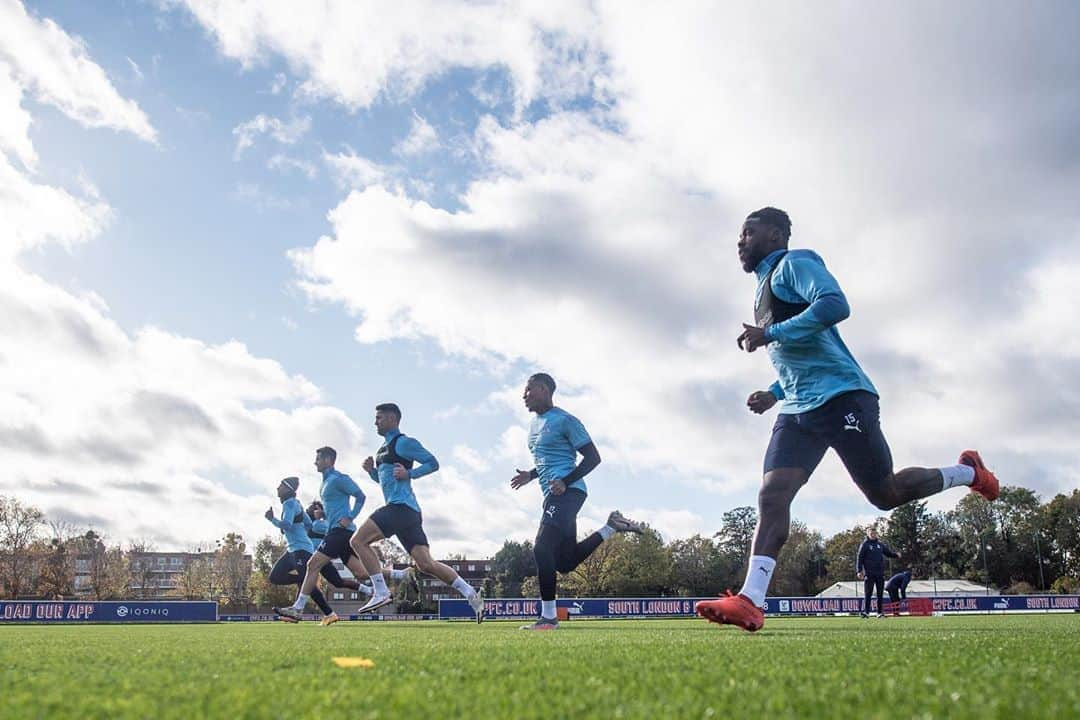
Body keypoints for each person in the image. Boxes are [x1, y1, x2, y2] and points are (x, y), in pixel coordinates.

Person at [696, 207, 1000, 633]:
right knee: (773, 493)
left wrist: (772, 334)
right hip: (799, 409)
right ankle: (750, 600)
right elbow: (804, 359)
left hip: (843, 398)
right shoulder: (763, 288)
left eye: (749, 232)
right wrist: (775, 392)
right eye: (739, 234)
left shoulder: (794, 263)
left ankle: (968, 473)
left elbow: (835, 305)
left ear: (776, 234)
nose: (740, 241)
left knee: (886, 493)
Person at [512, 373, 645, 631]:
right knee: (564, 562)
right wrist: (531, 474)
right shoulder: (533, 426)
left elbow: (593, 457)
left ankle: (549, 619)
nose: (523, 396)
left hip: (570, 491)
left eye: (528, 390)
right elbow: (549, 460)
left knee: (541, 549)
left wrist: (565, 481)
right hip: (553, 495)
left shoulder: (566, 420)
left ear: (543, 389)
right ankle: (611, 527)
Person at [350, 403, 485, 621]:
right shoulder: (381, 450)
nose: (375, 422)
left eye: (379, 418)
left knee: (357, 541)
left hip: (401, 508)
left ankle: (381, 590)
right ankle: (472, 594)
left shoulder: (404, 443)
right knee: (426, 564)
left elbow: (433, 463)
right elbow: (385, 481)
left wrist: (410, 473)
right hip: (407, 513)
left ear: (393, 419)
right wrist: (371, 472)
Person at [274, 447, 374, 623]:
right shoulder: (324, 485)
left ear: (328, 460)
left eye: (318, 459)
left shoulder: (337, 479)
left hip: (335, 536)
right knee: (361, 573)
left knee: (314, 569)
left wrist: (349, 517)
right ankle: (399, 575)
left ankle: (301, 610)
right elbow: (306, 523)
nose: (315, 462)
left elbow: (360, 496)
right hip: (330, 539)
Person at [264, 477, 339, 625]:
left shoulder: (290, 503)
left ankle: (330, 614)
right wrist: (299, 531)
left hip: (301, 549)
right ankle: (302, 582)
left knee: (307, 584)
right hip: (293, 549)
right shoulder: (295, 503)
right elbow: (309, 524)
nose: (277, 488)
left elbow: (286, 524)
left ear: (288, 489)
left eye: (280, 485)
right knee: (274, 577)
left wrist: (272, 519)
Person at [305, 499, 375, 600]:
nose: (310, 510)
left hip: (321, 558)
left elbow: (333, 531)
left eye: (313, 509)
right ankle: (368, 590)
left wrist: (324, 515)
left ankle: (371, 588)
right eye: (309, 509)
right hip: (309, 557)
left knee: (341, 581)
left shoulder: (319, 524)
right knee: (337, 582)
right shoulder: (307, 524)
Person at [857, 526, 900, 618]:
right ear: (868, 534)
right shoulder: (865, 544)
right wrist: (859, 570)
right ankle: (866, 612)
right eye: (871, 533)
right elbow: (859, 558)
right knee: (868, 593)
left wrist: (896, 555)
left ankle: (879, 613)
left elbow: (888, 553)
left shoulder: (880, 544)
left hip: (880, 573)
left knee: (880, 594)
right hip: (869, 573)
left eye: (874, 533)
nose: (873, 535)